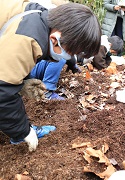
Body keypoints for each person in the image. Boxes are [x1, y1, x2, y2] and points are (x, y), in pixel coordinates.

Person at [0, 1, 101, 152]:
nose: (70, 56)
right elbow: (2, 92)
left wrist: (21, 84)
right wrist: (23, 131)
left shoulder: (42, 20)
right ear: (55, 39)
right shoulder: (27, 39)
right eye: (72, 52)